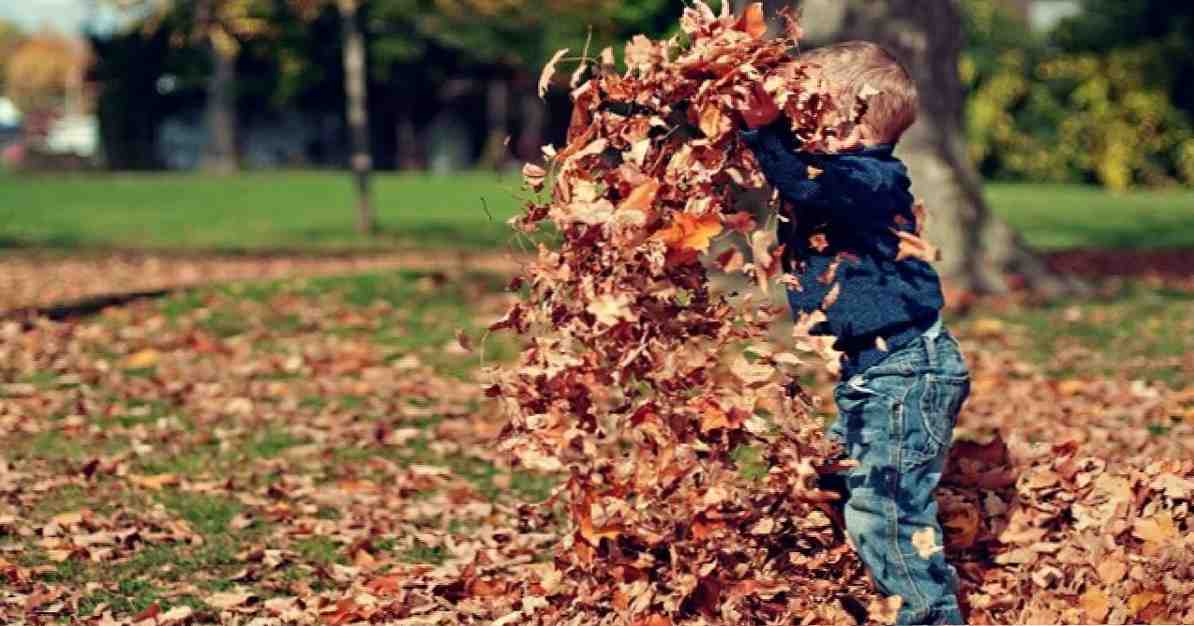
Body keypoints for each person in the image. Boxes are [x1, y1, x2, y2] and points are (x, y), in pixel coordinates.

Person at [740, 41, 970, 626]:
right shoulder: (842, 176)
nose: (791, 127)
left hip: (905, 373)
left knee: (886, 513)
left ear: (841, 124)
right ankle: (850, 583)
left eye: (802, 114)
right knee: (837, 477)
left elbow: (811, 185)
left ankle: (928, 616)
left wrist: (768, 133)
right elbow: (796, 174)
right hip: (875, 372)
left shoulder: (871, 179)